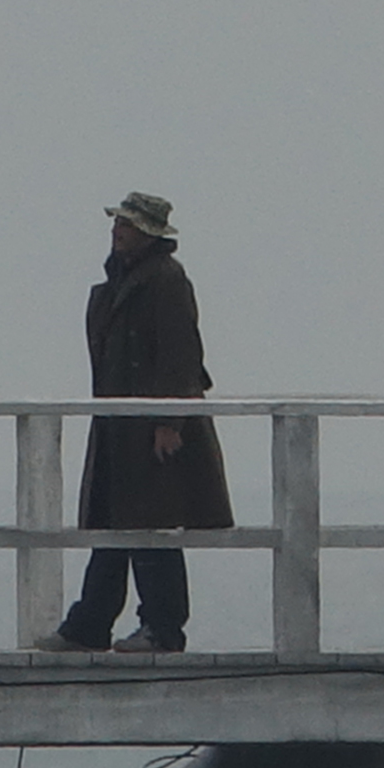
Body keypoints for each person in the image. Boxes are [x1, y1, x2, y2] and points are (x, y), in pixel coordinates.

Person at [36, 192, 234, 654]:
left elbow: (181, 355)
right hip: (120, 424)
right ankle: (90, 623)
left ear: (147, 232)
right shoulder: (126, 277)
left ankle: (162, 629)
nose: (117, 230)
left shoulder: (166, 279)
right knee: (113, 527)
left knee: (153, 529)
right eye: (118, 223)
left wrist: (170, 422)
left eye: (126, 224)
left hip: (151, 431)